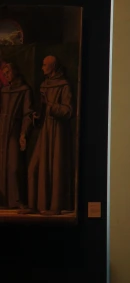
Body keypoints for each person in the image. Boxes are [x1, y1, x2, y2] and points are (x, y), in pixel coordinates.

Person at [27, 55, 73, 215]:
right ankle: (34, 205)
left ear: (52, 67)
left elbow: (68, 111)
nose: (42, 67)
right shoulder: (44, 85)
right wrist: (37, 115)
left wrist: (50, 108)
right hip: (45, 130)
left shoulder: (64, 85)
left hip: (57, 132)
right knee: (34, 167)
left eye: (45, 65)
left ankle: (54, 207)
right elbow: (42, 109)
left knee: (55, 168)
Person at [0, 61, 34, 208]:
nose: (6, 76)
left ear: (14, 71)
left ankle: (17, 200)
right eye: (4, 73)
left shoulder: (24, 90)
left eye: (8, 72)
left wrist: (23, 134)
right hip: (1, 131)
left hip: (14, 130)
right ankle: (3, 201)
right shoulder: (3, 91)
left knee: (14, 167)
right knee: (1, 166)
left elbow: (28, 114)